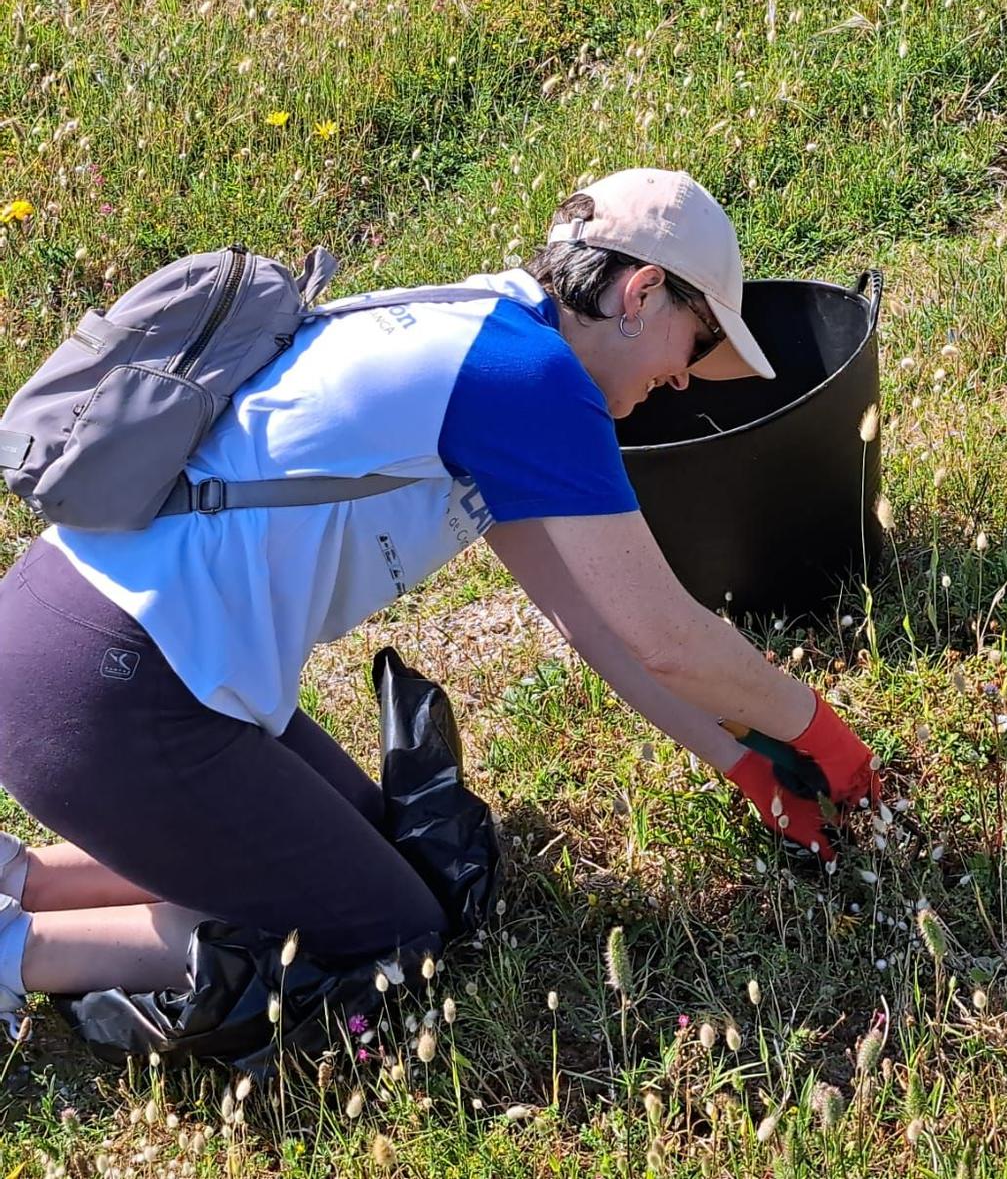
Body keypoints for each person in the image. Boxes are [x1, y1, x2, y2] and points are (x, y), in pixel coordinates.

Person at [0, 168, 877, 1025]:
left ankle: (22, 878)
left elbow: (598, 623)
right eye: (695, 343)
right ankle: (17, 949)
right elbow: (668, 636)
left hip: (91, 645)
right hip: (114, 686)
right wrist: (819, 733)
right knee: (387, 936)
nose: (684, 378)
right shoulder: (529, 381)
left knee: (378, 852)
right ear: (641, 292)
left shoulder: (487, 332)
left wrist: (742, 764)